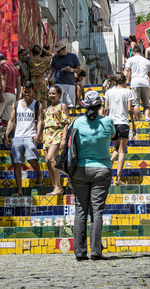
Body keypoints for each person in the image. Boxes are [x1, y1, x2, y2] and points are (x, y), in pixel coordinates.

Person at [67, 90, 115, 261]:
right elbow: (114, 137)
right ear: (100, 105)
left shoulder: (76, 122)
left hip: (79, 170)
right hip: (102, 170)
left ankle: (80, 252)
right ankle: (96, 252)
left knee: (80, 210)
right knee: (97, 212)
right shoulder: (108, 122)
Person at [4, 81, 44, 196]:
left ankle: (39, 174)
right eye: (25, 91)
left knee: (31, 158)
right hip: (17, 136)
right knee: (17, 163)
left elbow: (40, 120)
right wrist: (7, 134)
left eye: (29, 92)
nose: (27, 94)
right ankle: (20, 191)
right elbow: (12, 120)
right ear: (22, 90)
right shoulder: (16, 104)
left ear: (33, 92)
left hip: (30, 136)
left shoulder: (37, 105)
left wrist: (38, 134)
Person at [104, 72, 136, 185]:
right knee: (122, 150)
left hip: (111, 123)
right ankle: (118, 178)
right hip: (123, 123)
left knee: (116, 149)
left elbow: (105, 109)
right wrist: (133, 124)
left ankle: (109, 162)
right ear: (124, 81)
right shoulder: (127, 92)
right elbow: (129, 109)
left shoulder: (108, 92)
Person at [43, 85, 70, 195]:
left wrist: (64, 138)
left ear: (59, 94)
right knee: (48, 162)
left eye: (53, 93)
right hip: (47, 135)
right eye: (50, 93)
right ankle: (55, 187)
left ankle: (58, 186)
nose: (51, 95)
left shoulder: (62, 106)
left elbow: (66, 123)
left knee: (51, 158)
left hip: (57, 133)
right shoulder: (48, 108)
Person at [0, 51, 21, 144]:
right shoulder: (14, 68)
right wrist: (17, 97)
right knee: (7, 119)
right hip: (12, 96)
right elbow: (19, 83)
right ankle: (17, 136)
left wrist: (2, 93)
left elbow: (3, 79)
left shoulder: (3, 67)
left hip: (3, 94)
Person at [47, 39, 81, 108]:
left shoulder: (73, 56)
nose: (57, 53)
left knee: (70, 104)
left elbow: (78, 70)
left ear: (64, 49)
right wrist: (47, 78)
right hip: (58, 82)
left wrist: (70, 70)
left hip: (70, 83)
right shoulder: (55, 57)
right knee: (58, 103)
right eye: (57, 51)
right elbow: (52, 69)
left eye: (59, 51)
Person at [124, 45, 150, 122]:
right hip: (145, 83)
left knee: (136, 104)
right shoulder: (147, 61)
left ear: (133, 52)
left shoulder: (130, 60)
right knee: (146, 104)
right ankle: (146, 117)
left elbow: (127, 70)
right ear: (141, 52)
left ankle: (138, 120)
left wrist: (122, 81)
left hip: (135, 83)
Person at [28, 44, 52, 110]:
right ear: (40, 52)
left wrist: (28, 50)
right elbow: (51, 55)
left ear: (32, 52)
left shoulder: (29, 60)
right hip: (41, 81)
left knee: (32, 102)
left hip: (33, 82)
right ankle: (44, 119)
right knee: (44, 103)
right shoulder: (44, 60)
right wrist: (43, 48)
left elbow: (21, 56)